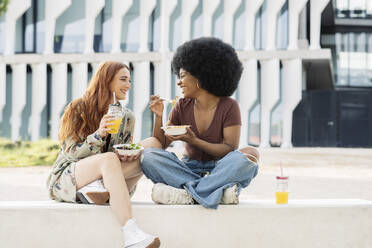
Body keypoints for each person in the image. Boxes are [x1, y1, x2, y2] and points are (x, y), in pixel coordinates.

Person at [46, 61, 160, 248]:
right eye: (123, 79)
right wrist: (99, 134)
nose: (128, 85)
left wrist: (128, 155)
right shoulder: (78, 108)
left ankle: (98, 190)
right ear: (106, 80)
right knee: (108, 159)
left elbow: (123, 149)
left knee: (152, 145)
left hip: (109, 177)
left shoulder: (127, 116)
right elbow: (71, 154)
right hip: (68, 177)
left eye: (130, 80)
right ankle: (130, 233)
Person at [141, 37, 259, 209]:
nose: (179, 82)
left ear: (200, 77)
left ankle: (189, 193)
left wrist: (194, 140)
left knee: (250, 154)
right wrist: (158, 116)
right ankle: (215, 191)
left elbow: (229, 148)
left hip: (220, 168)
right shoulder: (181, 105)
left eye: (183, 76)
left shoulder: (229, 106)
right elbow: (161, 144)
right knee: (148, 156)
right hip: (187, 169)